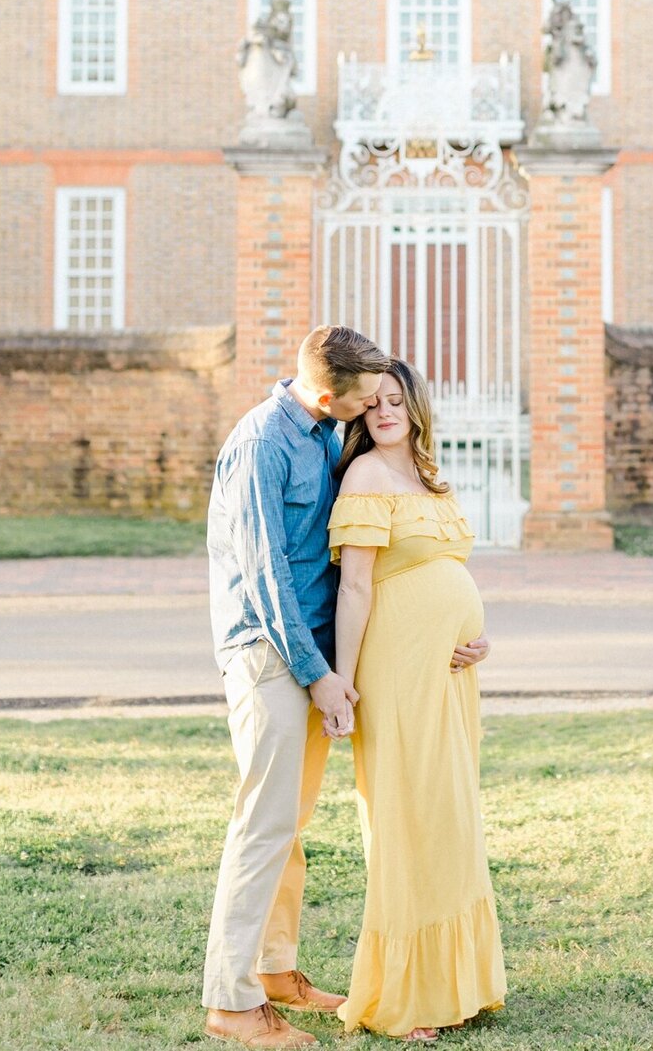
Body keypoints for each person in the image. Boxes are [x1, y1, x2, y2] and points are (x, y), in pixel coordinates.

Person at [202, 325, 391, 1050]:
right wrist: (318, 678)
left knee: (290, 828)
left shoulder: (320, 429)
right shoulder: (260, 445)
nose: (374, 408)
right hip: (270, 656)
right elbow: (265, 574)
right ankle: (231, 1001)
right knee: (262, 826)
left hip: (310, 656)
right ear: (325, 393)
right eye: (365, 398)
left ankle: (276, 970)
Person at [328, 360, 506, 1041]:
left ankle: (455, 983)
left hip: (454, 675)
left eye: (396, 400)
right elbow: (356, 588)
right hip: (398, 672)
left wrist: (477, 635)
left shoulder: (430, 476)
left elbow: (448, 572)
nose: (384, 412)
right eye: (373, 403)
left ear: (416, 406)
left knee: (451, 818)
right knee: (409, 818)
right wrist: (343, 682)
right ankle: (406, 995)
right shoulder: (367, 476)